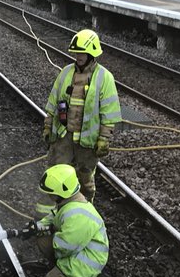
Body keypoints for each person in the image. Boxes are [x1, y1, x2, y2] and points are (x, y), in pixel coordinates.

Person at [39, 29, 121, 214]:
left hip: (87, 140)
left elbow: (109, 112)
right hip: (64, 136)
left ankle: (83, 215)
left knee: (85, 180)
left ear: (92, 53)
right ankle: (48, 215)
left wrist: (104, 139)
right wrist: (47, 126)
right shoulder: (66, 73)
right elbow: (53, 102)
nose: (78, 56)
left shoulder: (104, 78)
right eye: (76, 53)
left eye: (82, 52)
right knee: (55, 173)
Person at [35, 164, 114, 277]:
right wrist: (38, 227)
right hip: (78, 251)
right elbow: (54, 218)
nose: (49, 196)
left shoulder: (79, 216)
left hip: (86, 262)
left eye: (51, 193)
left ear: (62, 192)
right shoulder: (68, 203)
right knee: (42, 238)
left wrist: (56, 251)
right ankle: (63, 270)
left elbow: (65, 247)